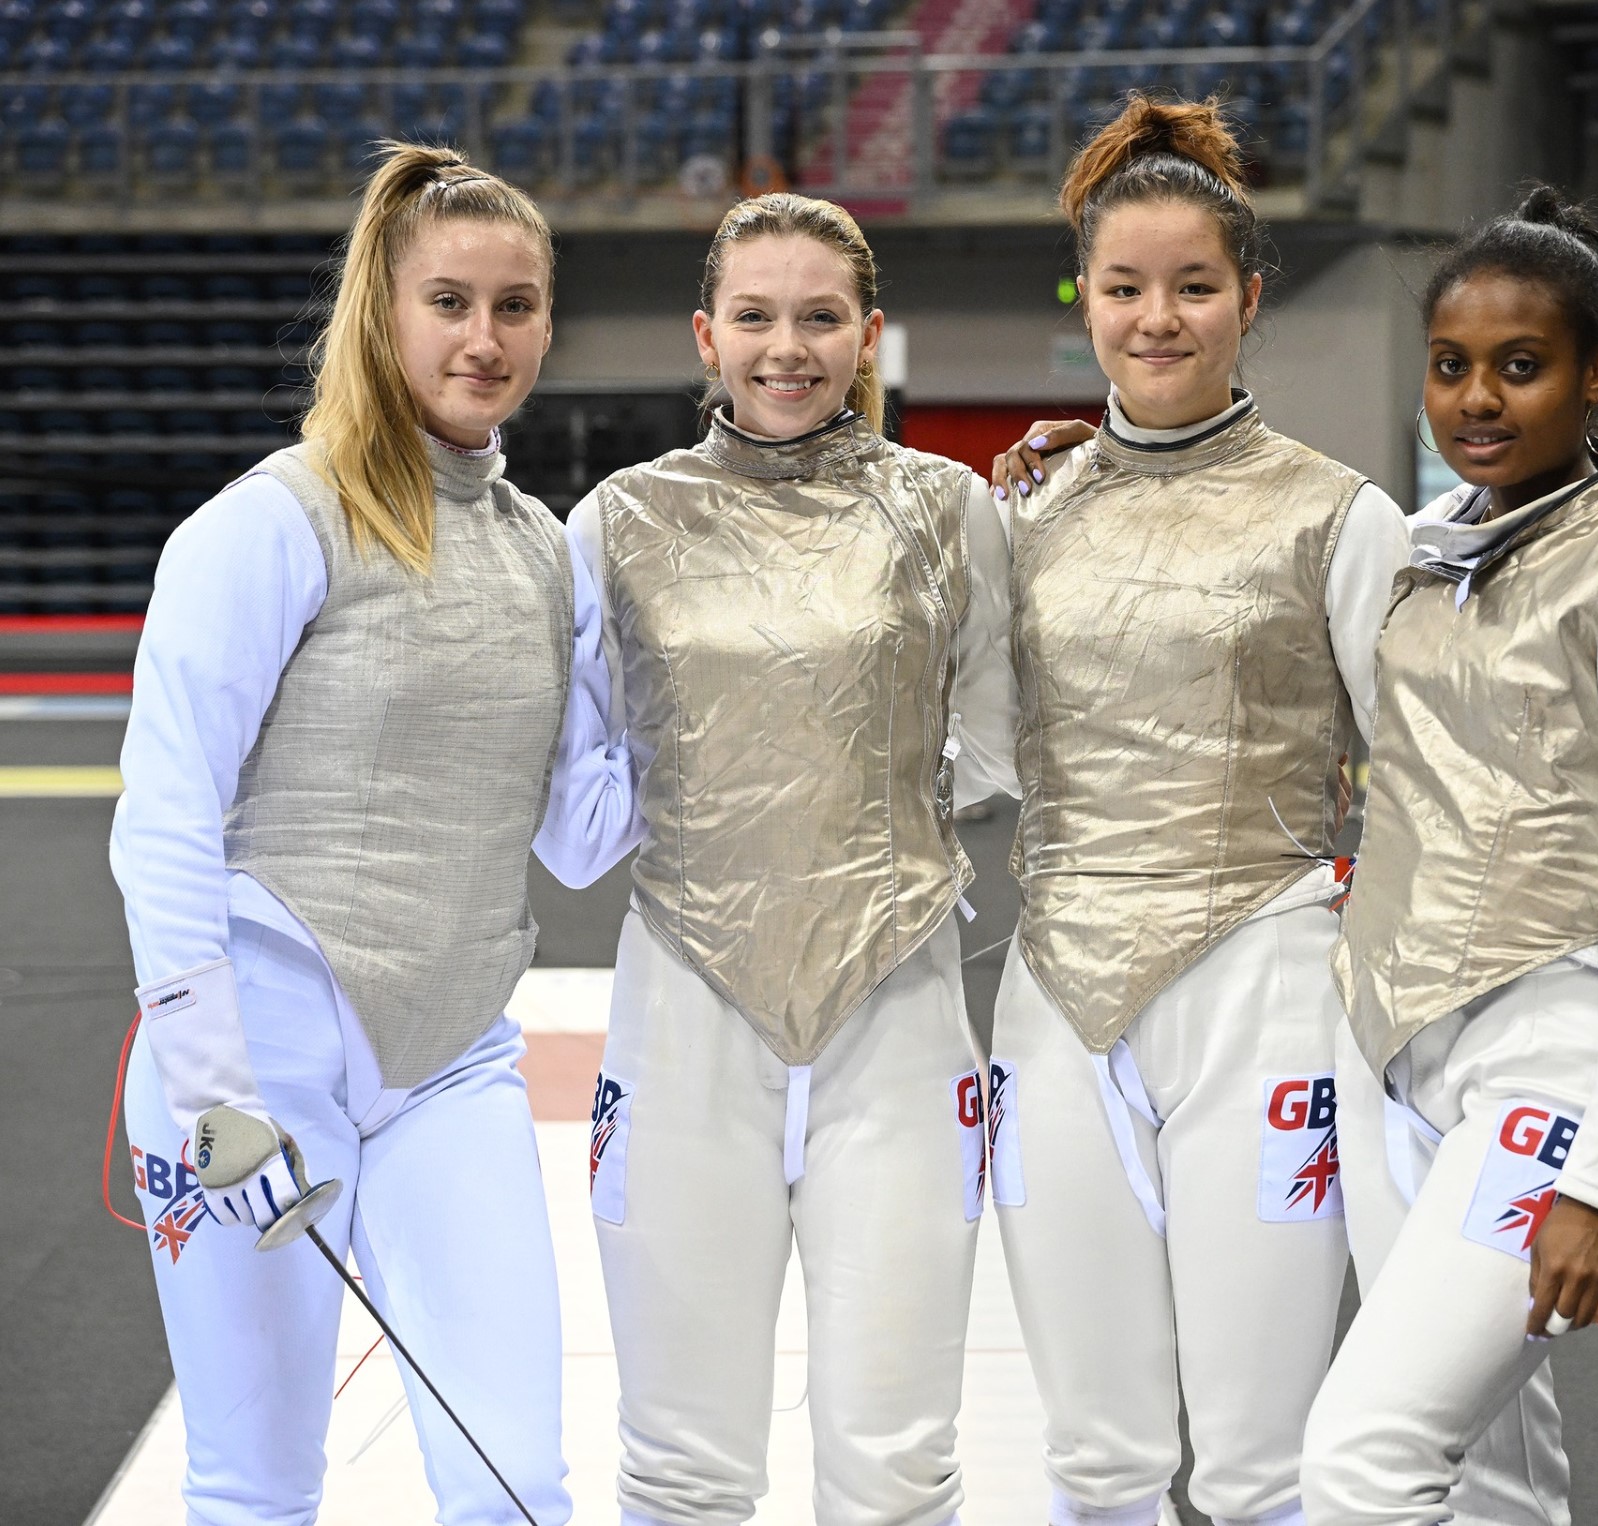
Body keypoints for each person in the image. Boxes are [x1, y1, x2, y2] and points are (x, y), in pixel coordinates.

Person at [112, 142, 639, 1525]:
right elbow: (162, 813)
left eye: (515, 305)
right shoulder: (274, 522)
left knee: (516, 1477)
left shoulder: (540, 548)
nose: (485, 337)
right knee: (254, 1484)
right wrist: (212, 1082)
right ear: (383, 311)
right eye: (450, 301)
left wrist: (735, 707)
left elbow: (581, 838)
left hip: (451, 1058)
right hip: (254, 1061)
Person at [1298, 187, 1598, 1525]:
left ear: (1596, 372)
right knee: (1488, 1475)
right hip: (1388, 1051)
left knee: (1360, 1460)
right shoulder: (1437, 548)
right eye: (1453, 366)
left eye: (1522, 365)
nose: (1479, 399)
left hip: (1541, 1066)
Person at [983, 95, 1411, 1526]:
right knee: (1095, 1455)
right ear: (1084, 297)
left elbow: (1423, 775)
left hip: (1266, 989)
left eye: (1192, 286)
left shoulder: (1341, 517)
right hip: (1053, 1004)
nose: (1155, 318)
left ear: (1249, 297)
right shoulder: (1027, 510)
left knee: (1255, 1461)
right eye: (1123, 287)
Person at [565, 191, 1019, 1526]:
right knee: (681, 1459)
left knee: (896, 1460)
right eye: (755, 317)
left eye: (821, 317)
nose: (788, 347)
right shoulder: (617, 521)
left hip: (900, 1007)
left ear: (870, 333)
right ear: (706, 333)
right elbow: (573, 766)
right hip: (684, 1009)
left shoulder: (950, 508)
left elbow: (991, 742)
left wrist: (866, 813)